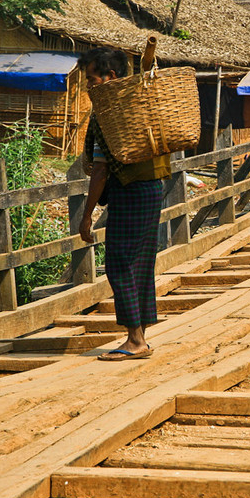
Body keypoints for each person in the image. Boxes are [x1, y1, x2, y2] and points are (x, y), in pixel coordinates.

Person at [78, 47, 171, 361]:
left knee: (119, 264)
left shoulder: (109, 113)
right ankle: (140, 334)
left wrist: (87, 215)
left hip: (129, 191)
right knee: (141, 263)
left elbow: (101, 170)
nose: (88, 86)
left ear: (110, 76)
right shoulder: (138, 103)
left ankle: (134, 340)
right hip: (152, 188)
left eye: (91, 79)